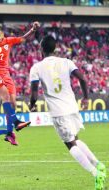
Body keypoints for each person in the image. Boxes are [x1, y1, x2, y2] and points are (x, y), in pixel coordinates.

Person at [29, 35, 106, 190]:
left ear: (41, 49)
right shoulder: (66, 62)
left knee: (70, 145)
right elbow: (83, 79)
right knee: (75, 139)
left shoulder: (36, 68)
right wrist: (85, 98)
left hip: (58, 111)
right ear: (55, 48)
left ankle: (95, 173)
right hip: (72, 107)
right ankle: (99, 165)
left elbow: (34, 92)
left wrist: (32, 105)